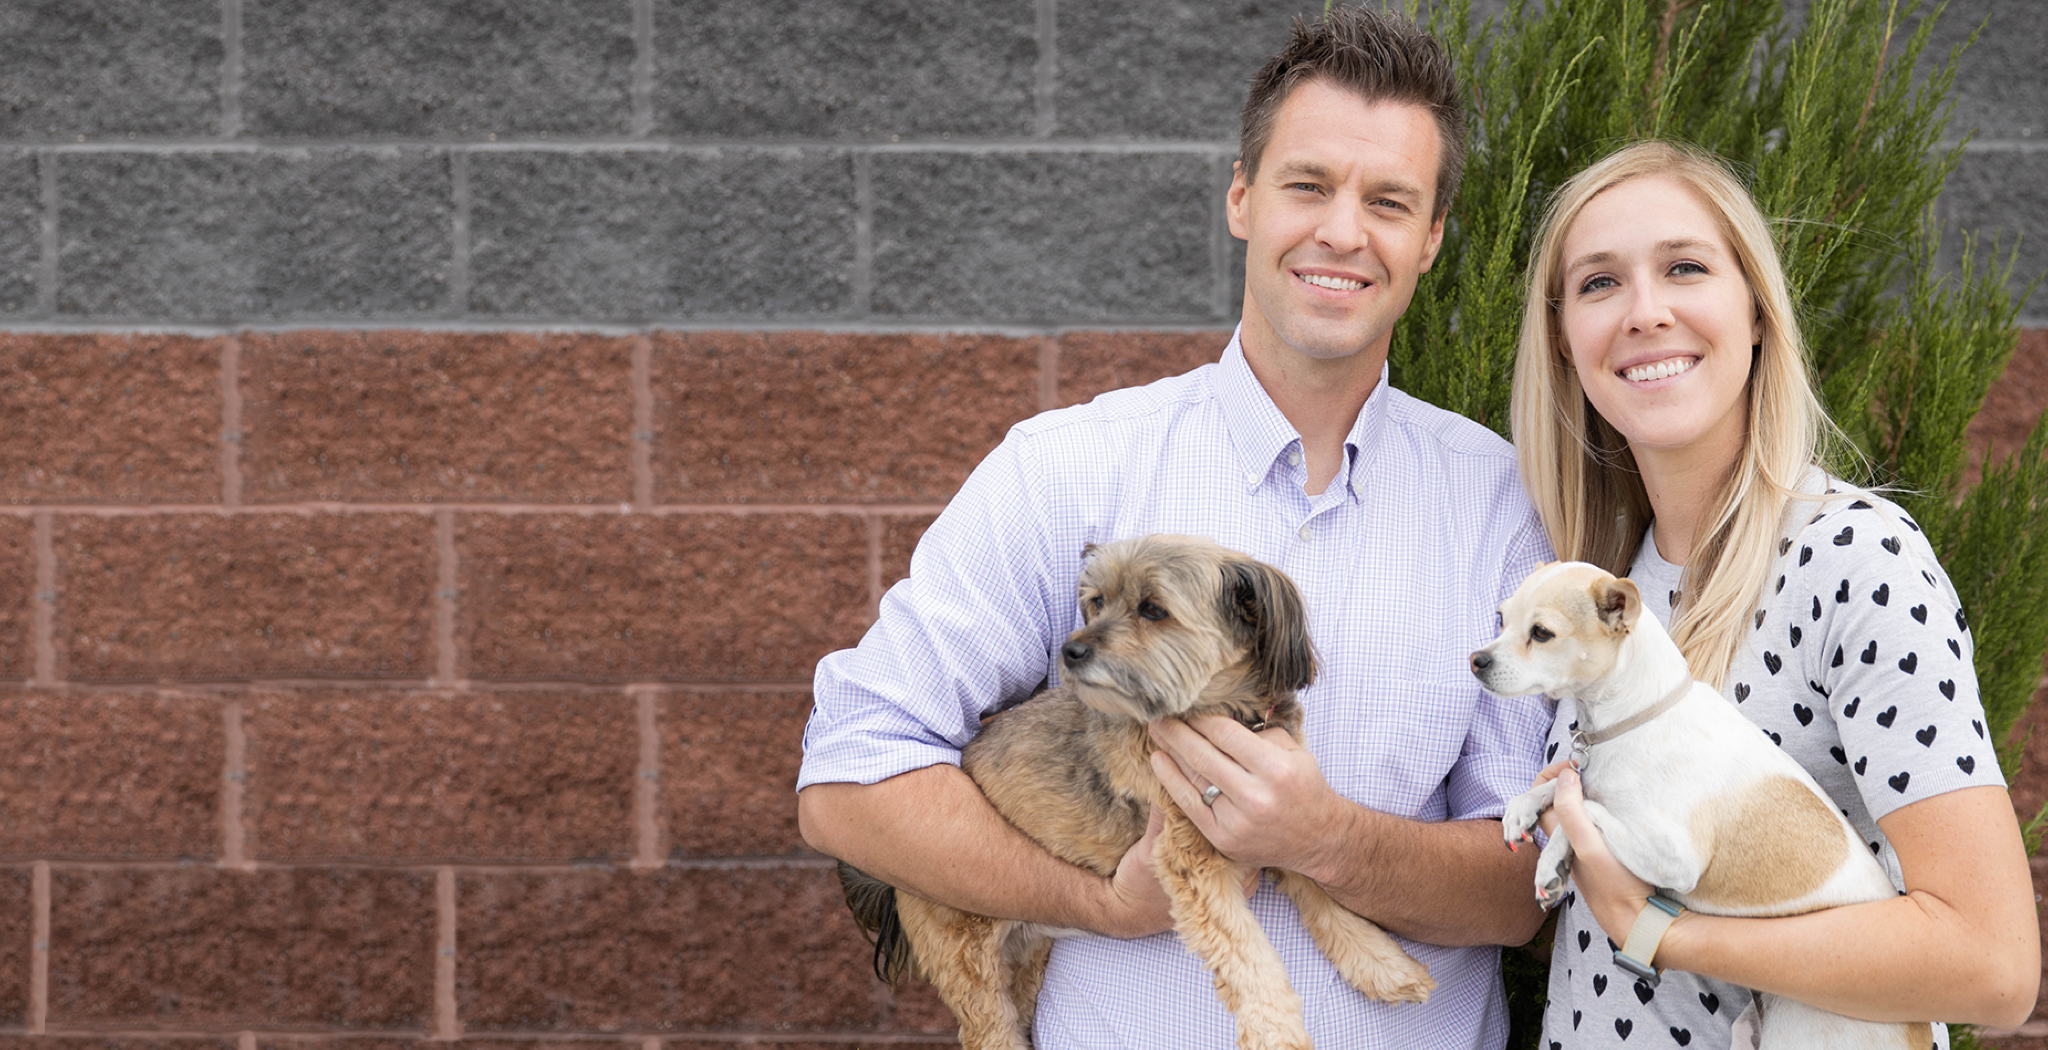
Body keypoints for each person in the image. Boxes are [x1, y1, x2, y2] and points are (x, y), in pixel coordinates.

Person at [797, 7, 1556, 1047]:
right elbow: (848, 780)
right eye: (1306, 184)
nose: (1341, 230)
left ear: (1428, 240)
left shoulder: (1498, 502)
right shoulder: (1066, 467)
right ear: (1241, 198)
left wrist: (1322, 838)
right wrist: (1102, 900)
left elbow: (1519, 889)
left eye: (1387, 200)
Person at [1509, 140, 2039, 1047]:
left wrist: (1663, 933)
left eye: (1685, 267)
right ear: (1564, 340)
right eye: (1599, 284)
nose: (1645, 312)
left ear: (1755, 311)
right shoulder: (1596, 588)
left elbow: (1991, 966)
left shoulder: (1858, 561)